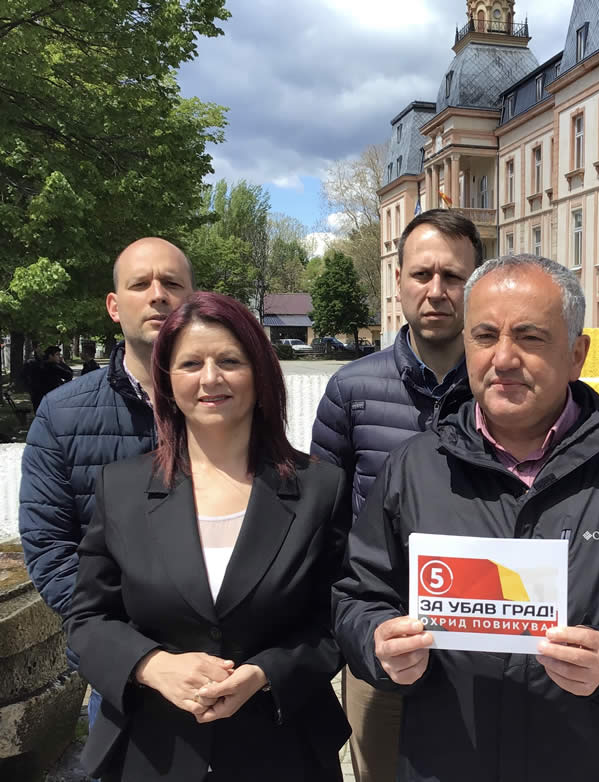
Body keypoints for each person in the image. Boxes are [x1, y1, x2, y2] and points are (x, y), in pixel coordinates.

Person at [333, 254, 599, 782]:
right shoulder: (413, 467)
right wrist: (377, 643)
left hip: (598, 764)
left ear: (576, 354)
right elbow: (357, 596)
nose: (503, 358)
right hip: (448, 761)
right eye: (485, 336)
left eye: (529, 337)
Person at [66, 292, 352, 781]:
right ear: (167, 380)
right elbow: (88, 619)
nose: (210, 378)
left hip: (282, 751)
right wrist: (149, 664)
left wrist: (266, 673)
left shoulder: (320, 488)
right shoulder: (122, 488)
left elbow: (336, 620)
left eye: (230, 361)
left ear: (260, 375)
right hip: (152, 752)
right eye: (191, 363)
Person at [311, 208, 483, 782]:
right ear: (399, 280)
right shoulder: (351, 389)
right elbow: (323, 523)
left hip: (484, 638)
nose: (436, 291)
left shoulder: (502, 388)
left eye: (453, 276)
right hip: (381, 642)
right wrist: (349, 629)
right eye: (422, 274)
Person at [20, 237, 195, 730]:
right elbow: (50, 547)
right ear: (114, 307)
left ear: (194, 301)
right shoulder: (62, 415)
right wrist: (134, 653)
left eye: (172, 283)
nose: (158, 295)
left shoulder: (233, 405)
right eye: (141, 284)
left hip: (226, 665)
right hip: (125, 681)